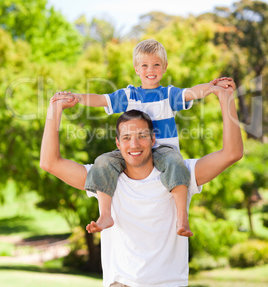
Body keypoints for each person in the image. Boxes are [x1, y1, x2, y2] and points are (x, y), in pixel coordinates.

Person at [40, 80, 243, 287]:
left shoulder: (181, 174)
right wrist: (54, 110)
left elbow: (231, 153)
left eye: (142, 136)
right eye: (126, 137)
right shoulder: (104, 177)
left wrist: (226, 99)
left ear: (153, 139)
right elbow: (50, 162)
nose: (134, 144)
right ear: (117, 143)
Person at [52, 39, 234, 237]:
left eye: (156, 64)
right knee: (103, 162)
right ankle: (105, 214)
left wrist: (210, 87)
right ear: (136, 69)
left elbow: (192, 92)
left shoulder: (168, 94)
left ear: (164, 67)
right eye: (145, 65)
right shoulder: (129, 95)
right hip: (133, 151)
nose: (151, 70)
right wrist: (78, 97)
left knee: (176, 163)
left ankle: (182, 216)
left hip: (164, 150)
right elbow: (101, 99)